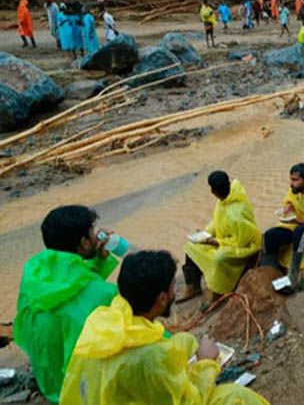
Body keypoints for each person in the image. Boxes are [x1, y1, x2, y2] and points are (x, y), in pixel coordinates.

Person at [59, 251, 269, 405]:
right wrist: (206, 363)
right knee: (237, 397)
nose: (174, 293)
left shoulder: (103, 318)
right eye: (171, 288)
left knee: (184, 341)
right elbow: (190, 403)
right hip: (141, 374)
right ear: (161, 298)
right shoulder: (150, 356)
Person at [14, 205, 118, 403]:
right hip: (78, 392)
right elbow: (88, 295)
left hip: (48, 382)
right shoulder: (103, 294)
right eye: (92, 233)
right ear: (84, 243)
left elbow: (73, 289)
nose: (97, 237)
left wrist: (98, 261)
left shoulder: (35, 274)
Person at [181, 171, 261, 305]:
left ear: (213, 190)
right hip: (226, 241)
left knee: (220, 258)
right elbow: (217, 222)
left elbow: (240, 241)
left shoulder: (237, 212)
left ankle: (217, 290)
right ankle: (193, 286)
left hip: (245, 247)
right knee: (191, 247)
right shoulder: (224, 202)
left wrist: (216, 242)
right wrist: (205, 234)